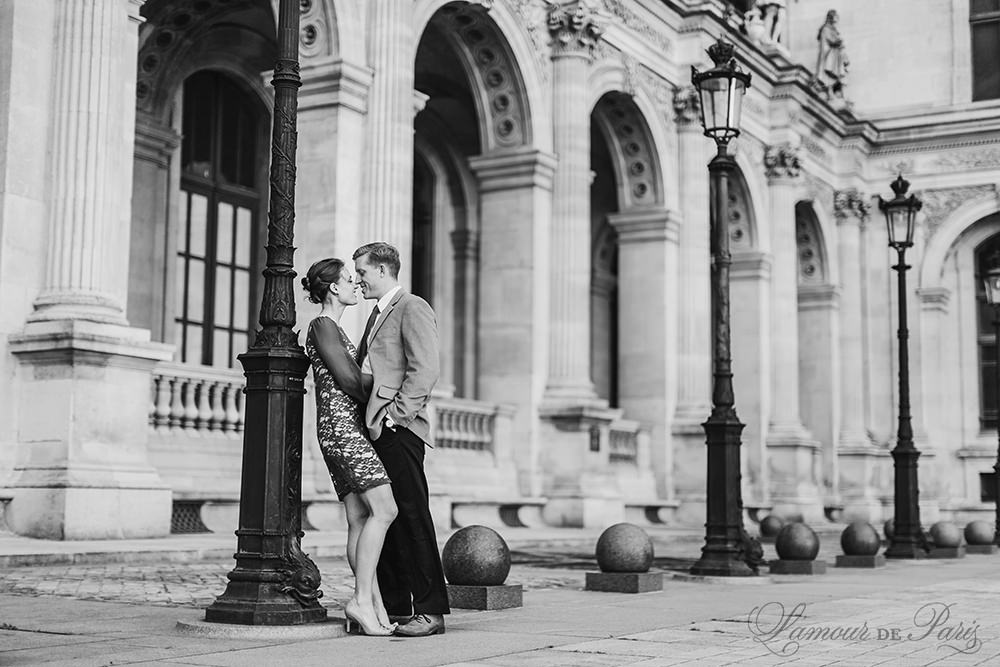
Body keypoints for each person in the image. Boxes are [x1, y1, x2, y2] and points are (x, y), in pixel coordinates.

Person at [352, 242, 450, 638]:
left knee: (412, 516)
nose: (358, 280)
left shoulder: (412, 306)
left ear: (382, 269)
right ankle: (395, 606)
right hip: (377, 429)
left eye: (362, 272)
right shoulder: (376, 314)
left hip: (399, 430)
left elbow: (425, 369)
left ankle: (430, 610)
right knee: (386, 518)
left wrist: (395, 416)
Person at [300, 258, 399, 637]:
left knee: (359, 517)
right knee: (385, 509)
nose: (354, 283)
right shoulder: (322, 326)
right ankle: (360, 600)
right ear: (332, 287)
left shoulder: (333, 328)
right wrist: (392, 386)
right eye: (347, 278)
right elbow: (350, 381)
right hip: (342, 430)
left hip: (343, 428)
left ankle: (372, 605)